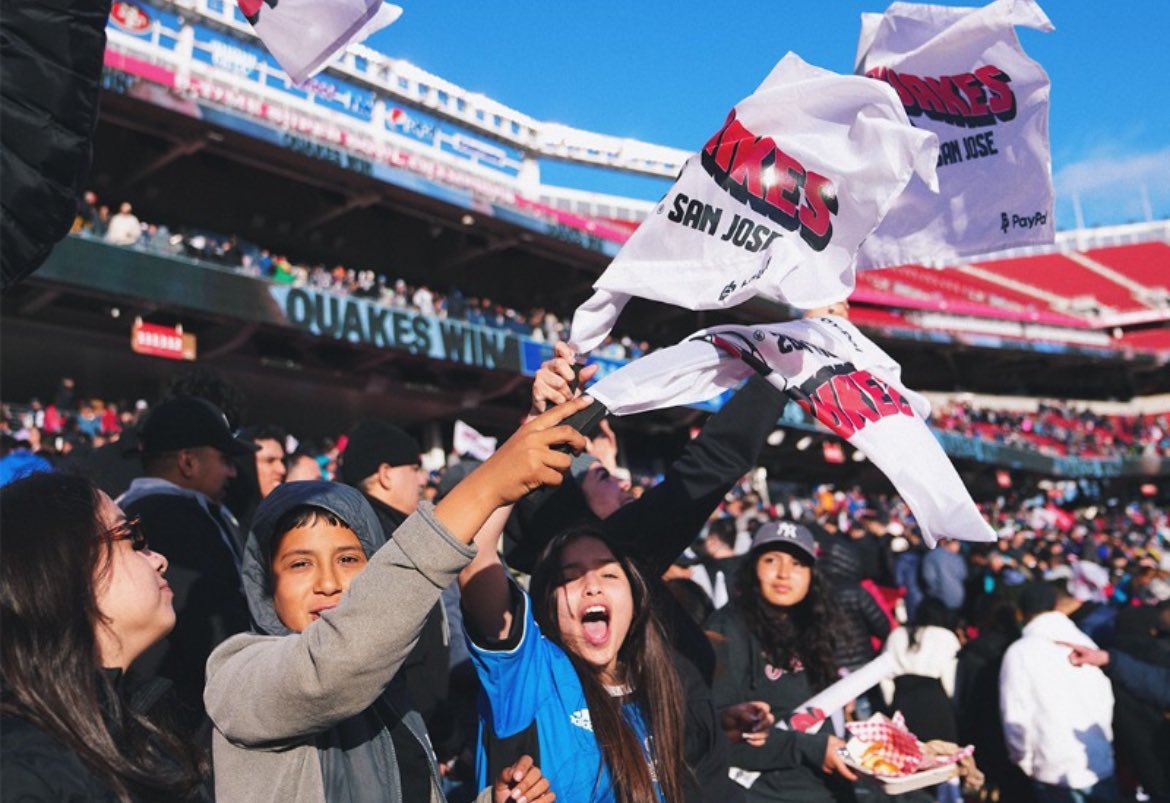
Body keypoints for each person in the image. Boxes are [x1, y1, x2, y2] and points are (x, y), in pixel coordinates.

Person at [204, 398, 590, 802]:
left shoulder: (388, 694)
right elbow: (337, 660)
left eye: (349, 559)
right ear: (265, 584)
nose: (329, 583)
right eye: (301, 564)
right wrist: (488, 484)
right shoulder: (236, 675)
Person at [0, 472, 207, 801]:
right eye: (131, 537)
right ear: (64, 567)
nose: (159, 561)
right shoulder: (22, 772)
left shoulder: (130, 725)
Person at [459, 516, 691, 803]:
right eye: (570, 577)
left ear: (634, 597)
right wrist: (511, 476)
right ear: (548, 602)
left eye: (609, 574)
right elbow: (475, 555)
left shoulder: (656, 687)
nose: (593, 586)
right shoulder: (533, 674)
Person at [118, 396, 259, 734]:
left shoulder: (139, 509)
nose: (231, 471)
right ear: (188, 462)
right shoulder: (176, 517)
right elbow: (205, 636)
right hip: (182, 716)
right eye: (223, 459)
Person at [705, 520, 859, 802]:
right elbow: (715, 733)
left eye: (798, 563)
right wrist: (810, 747)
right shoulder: (728, 628)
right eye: (771, 560)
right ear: (753, 567)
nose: (784, 574)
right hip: (761, 793)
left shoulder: (812, 627)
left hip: (823, 786)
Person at [999, 582, 1117, 802]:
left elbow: (1015, 717)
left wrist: (1024, 761)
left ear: (1021, 613)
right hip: (1097, 761)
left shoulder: (1020, 652)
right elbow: (1106, 700)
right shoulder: (1085, 642)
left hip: (1053, 768)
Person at [879, 597, 961, 743]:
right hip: (936, 704)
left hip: (902, 700)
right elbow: (951, 681)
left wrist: (892, 704)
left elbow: (884, 675)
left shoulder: (896, 635)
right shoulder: (946, 637)